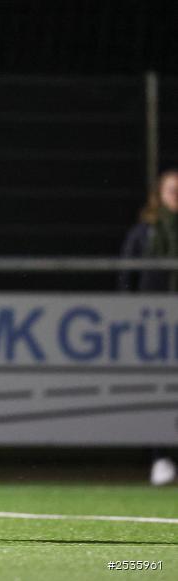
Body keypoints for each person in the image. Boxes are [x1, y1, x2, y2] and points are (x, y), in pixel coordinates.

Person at [118, 169, 178, 486]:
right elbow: (127, 277)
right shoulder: (144, 232)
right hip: (154, 322)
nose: (177, 196)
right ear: (160, 195)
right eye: (173, 190)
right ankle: (160, 457)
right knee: (157, 390)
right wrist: (129, 316)